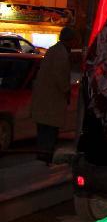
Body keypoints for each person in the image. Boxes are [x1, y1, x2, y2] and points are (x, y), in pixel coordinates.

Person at [30, 27, 76, 164]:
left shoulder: (54, 51)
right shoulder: (61, 54)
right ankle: (45, 158)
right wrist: (67, 91)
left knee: (44, 131)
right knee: (49, 133)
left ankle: (43, 156)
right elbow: (61, 78)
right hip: (51, 102)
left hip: (45, 101)